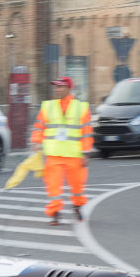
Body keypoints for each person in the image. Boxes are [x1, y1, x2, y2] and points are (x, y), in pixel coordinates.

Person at [29, 76, 93, 226]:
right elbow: (39, 126)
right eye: (55, 87)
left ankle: (77, 206)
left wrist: (86, 153)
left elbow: (87, 132)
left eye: (60, 87)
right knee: (53, 186)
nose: (57, 90)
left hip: (75, 155)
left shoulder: (81, 107)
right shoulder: (48, 106)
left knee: (77, 186)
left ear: (68, 88)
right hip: (53, 154)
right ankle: (54, 213)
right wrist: (36, 141)